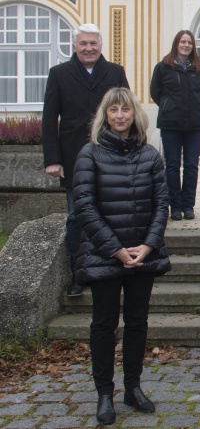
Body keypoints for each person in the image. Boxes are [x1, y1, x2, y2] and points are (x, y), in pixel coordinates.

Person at [72, 87, 170, 426]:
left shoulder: (150, 155)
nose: (119, 115)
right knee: (103, 324)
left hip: (142, 254)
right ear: (105, 115)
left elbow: (161, 204)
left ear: (134, 114)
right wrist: (115, 250)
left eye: (125, 109)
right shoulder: (90, 154)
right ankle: (104, 394)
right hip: (105, 255)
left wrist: (148, 245)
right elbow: (85, 207)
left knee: (137, 323)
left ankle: (133, 387)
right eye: (113, 110)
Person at [42, 23, 129, 297]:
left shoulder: (115, 72)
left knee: (113, 213)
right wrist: (53, 160)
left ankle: (112, 267)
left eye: (93, 43)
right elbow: (48, 119)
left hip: (111, 154)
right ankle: (79, 273)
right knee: (75, 216)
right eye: (83, 44)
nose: (89, 48)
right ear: (75, 46)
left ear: (100, 46)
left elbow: (127, 111)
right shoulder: (59, 74)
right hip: (72, 156)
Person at [150, 30, 200, 221]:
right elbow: (156, 93)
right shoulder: (163, 67)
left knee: (191, 166)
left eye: (189, 42)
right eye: (183, 42)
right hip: (171, 124)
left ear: (193, 46)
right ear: (176, 44)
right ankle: (175, 206)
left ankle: (188, 206)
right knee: (172, 165)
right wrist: (170, 107)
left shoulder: (199, 67)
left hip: (195, 124)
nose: (186, 45)